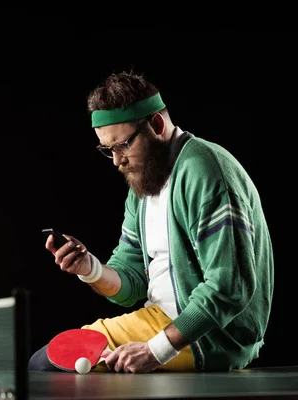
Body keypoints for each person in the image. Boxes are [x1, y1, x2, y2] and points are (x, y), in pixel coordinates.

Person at [29, 71, 274, 373]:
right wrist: (88, 268)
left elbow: (229, 287)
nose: (117, 160)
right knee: (51, 360)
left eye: (122, 145)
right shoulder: (144, 186)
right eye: (108, 150)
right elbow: (131, 284)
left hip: (212, 339)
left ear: (156, 124)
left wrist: (156, 350)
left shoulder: (205, 171)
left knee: (45, 367)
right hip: (161, 322)